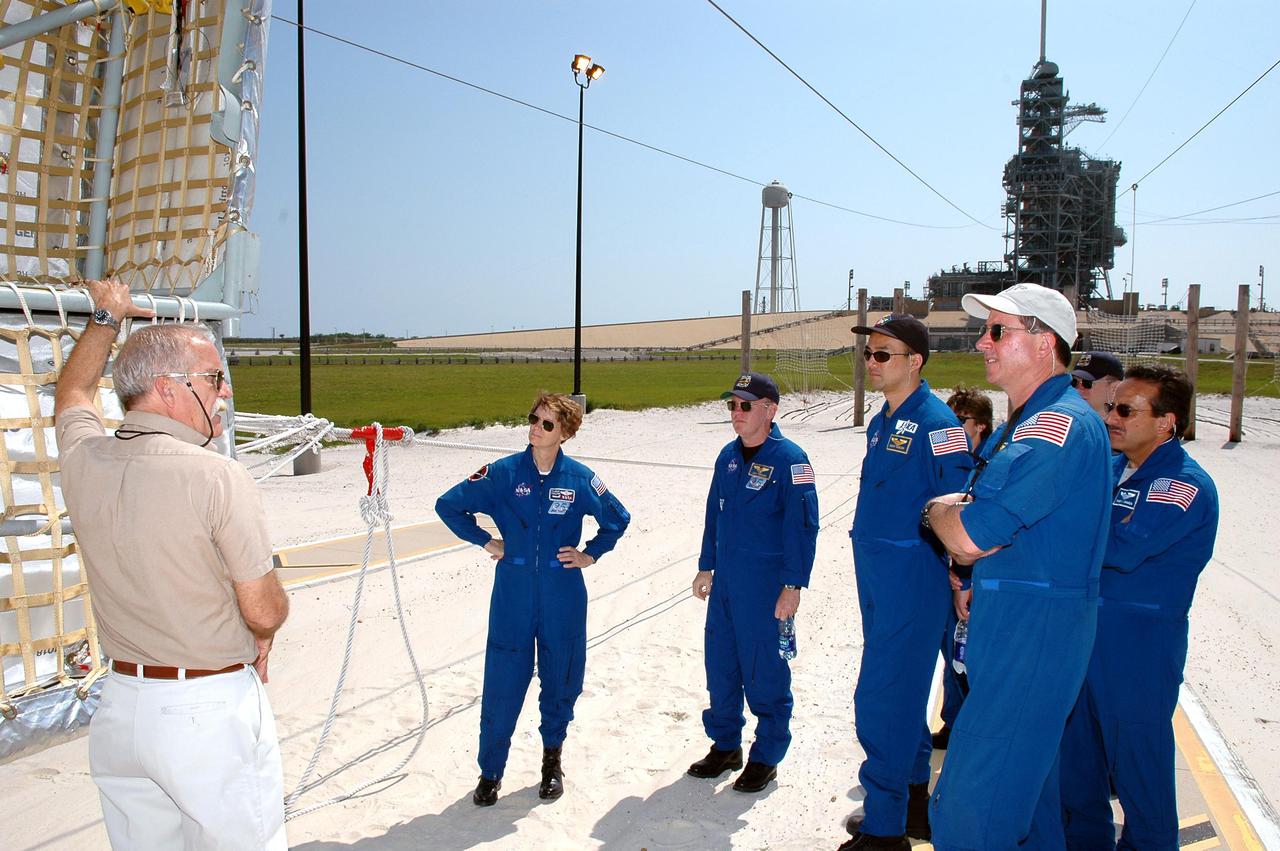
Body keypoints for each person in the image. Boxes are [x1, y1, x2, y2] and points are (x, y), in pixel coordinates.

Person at [54, 279, 290, 849]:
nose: (225, 394)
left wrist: (105, 318)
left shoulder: (85, 457)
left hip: (122, 710)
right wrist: (269, 604)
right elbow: (263, 611)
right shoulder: (216, 475)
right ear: (167, 389)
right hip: (204, 714)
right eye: (213, 379)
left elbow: (72, 394)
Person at [922, 283, 1112, 850]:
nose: (983, 342)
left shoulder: (1057, 427)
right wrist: (955, 524)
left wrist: (936, 511)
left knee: (966, 817)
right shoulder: (1022, 426)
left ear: (1044, 342)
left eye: (997, 331)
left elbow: (968, 535)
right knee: (1031, 817)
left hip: (1032, 643)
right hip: (1012, 636)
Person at [436, 392, 630, 806]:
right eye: (532, 419)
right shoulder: (502, 474)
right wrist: (487, 541)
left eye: (545, 424)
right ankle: (490, 773)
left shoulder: (580, 478)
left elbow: (618, 518)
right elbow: (449, 506)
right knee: (503, 682)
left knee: (561, 679)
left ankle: (551, 762)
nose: (534, 428)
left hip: (563, 595)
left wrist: (590, 553)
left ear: (564, 433)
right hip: (513, 595)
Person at [1060, 365, 1219, 850]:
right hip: (1086, 642)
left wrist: (1062, 531)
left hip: (1138, 654)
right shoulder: (1110, 469)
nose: (1111, 417)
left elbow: (1125, 548)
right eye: (1111, 406)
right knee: (1078, 769)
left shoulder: (1182, 485)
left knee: (1140, 778)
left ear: (1167, 423)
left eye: (1126, 410)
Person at [841, 316, 974, 850]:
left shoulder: (937, 424)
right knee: (902, 694)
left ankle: (884, 829)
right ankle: (914, 805)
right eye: (869, 354)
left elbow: (958, 505)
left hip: (913, 575)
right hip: (878, 575)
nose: (871, 362)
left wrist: (956, 572)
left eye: (883, 354)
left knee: (884, 699)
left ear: (915, 361)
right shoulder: (884, 420)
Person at [688, 372, 818, 794]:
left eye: (745, 405)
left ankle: (766, 756)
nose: (736, 413)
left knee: (765, 672)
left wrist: (793, 585)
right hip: (726, 582)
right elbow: (714, 514)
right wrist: (706, 565)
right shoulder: (726, 457)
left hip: (766, 586)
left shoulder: (791, 460)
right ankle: (726, 745)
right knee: (721, 667)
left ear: (770, 409)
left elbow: (803, 528)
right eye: (732, 405)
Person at [932, 385, 995, 752]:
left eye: (960, 421)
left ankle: (972, 727)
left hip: (977, 577)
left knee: (972, 656)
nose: (952, 427)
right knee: (952, 651)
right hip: (954, 573)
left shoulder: (986, 465)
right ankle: (954, 721)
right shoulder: (956, 461)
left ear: (981, 426)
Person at [1071, 350, 1125, 417]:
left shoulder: (1131, 425)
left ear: (1115, 388)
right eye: (1074, 382)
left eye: (1087, 383)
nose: (1078, 389)